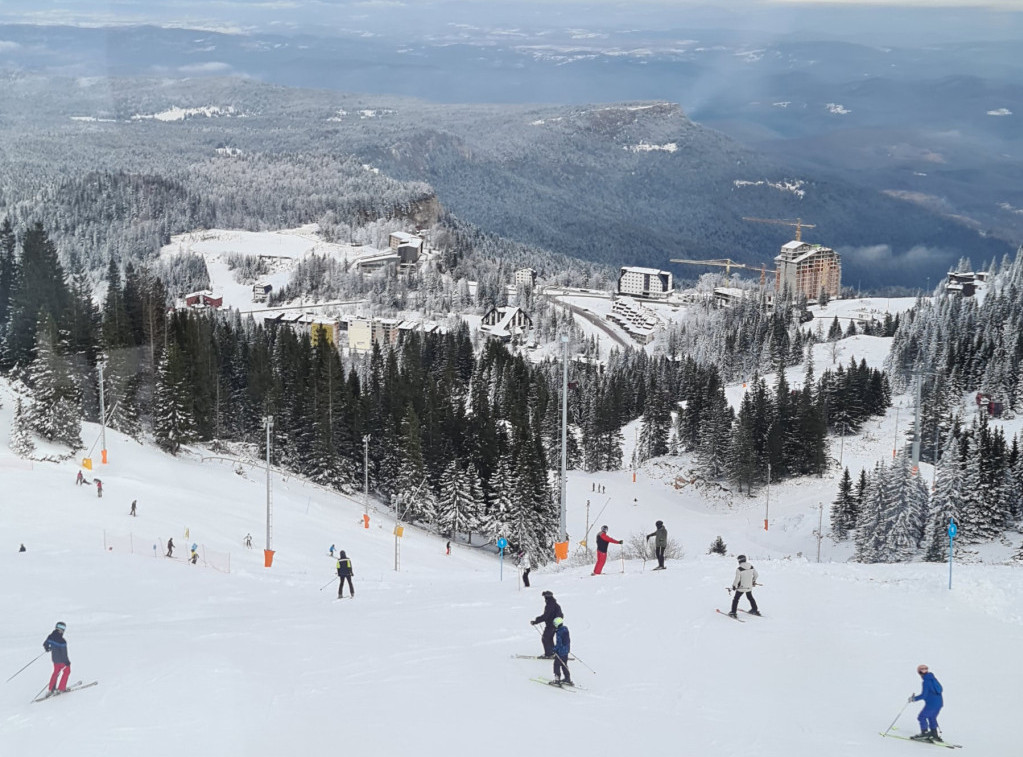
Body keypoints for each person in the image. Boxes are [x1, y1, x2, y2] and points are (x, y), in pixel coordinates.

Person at [909, 664, 944, 742]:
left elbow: (924, 695)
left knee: (921, 717)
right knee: (932, 717)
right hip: (939, 703)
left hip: (931, 704)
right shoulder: (933, 679)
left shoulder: (926, 682)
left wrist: (913, 699)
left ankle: (924, 733)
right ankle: (934, 734)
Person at [530, 590, 563, 658]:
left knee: (545, 639)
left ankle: (549, 654)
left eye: (544, 597)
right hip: (556, 625)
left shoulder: (550, 605)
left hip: (551, 625)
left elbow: (546, 616)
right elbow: (561, 615)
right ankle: (553, 653)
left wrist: (536, 621)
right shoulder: (556, 604)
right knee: (549, 639)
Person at [43, 621, 71, 696]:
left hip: (55, 659)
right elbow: (64, 653)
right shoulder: (62, 641)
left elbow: (45, 644)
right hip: (62, 660)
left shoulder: (50, 636)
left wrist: (47, 648)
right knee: (67, 671)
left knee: (56, 672)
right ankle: (61, 688)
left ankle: (51, 689)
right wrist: (67, 662)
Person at [550, 617, 573, 686]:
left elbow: (559, 643)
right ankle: (567, 678)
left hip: (560, 652)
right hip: (566, 651)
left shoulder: (559, 632)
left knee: (556, 664)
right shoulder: (565, 630)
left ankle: (557, 679)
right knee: (564, 664)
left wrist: (554, 649)